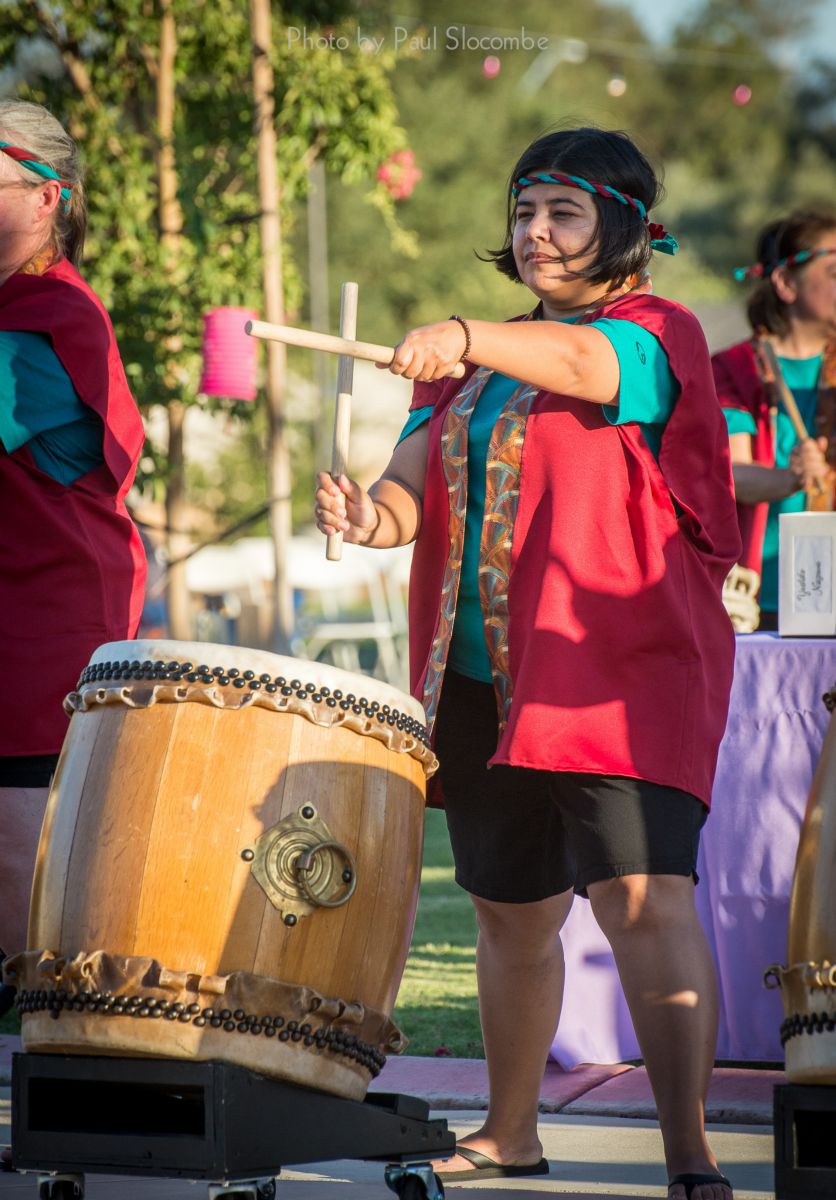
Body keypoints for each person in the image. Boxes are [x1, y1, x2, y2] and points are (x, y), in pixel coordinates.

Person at [315, 127, 740, 1200]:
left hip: (616, 677)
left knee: (644, 901)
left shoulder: (655, 331)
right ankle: (509, 1131)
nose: (534, 233)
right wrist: (368, 516)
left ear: (626, 228)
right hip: (481, 683)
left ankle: (689, 1151)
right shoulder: (477, 364)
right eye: (521, 213)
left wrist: (462, 334)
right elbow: (411, 491)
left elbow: (587, 367)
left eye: (560, 212)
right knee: (510, 913)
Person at [0, 102, 146, 993]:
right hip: (24, 596)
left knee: (21, 866)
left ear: (49, 197)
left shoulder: (46, 312)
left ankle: (56, 1075)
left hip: (52, 610)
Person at [712, 210, 836, 630]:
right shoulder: (734, 368)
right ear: (785, 283)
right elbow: (730, 475)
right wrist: (790, 478)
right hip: (754, 598)